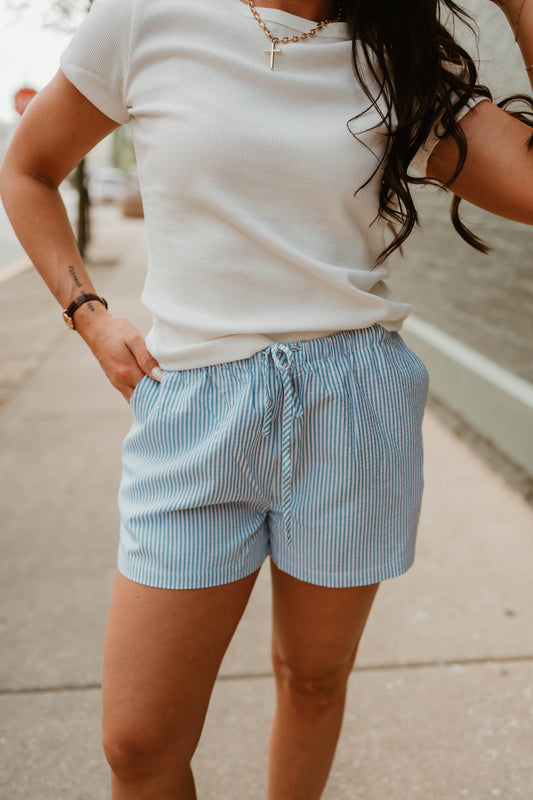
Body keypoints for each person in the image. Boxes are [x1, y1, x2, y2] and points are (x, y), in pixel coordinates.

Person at [1, 0, 532, 796]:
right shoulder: (145, 18)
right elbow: (28, 168)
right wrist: (88, 313)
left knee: (313, 681)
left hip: (352, 406)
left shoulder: (400, 55)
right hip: (195, 409)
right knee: (138, 745)